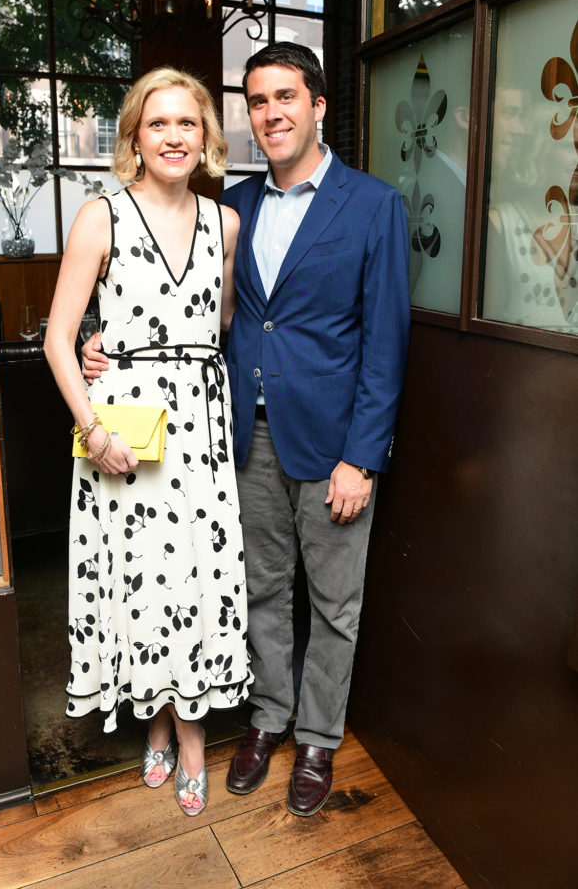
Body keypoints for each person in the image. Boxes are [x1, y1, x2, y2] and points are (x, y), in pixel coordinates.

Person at [83, 43, 411, 817]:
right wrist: (104, 342)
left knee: (334, 603)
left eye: (286, 97)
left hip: (332, 445)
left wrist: (362, 458)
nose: (271, 113)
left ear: (319, 106)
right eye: (258, 101)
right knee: (259, 588)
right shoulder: (232, 209)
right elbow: (196, 316)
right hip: (239, 436)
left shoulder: (373, 205)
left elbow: (386, 344)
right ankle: (267, 719)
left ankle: (318, 739)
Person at [44, 67, 251, 818]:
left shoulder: (225, 223)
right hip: (122, 430)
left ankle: (188, 731)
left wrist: (129, 341)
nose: (173, 136)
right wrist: (93, 429)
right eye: (157, 123)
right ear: (134, 135)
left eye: (186, 123)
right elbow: (58, 340)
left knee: (194, 579)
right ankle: (157, 720)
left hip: (200, 427)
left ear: (205, 137)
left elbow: (219, 322)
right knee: (141, 581)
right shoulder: (100, 217)